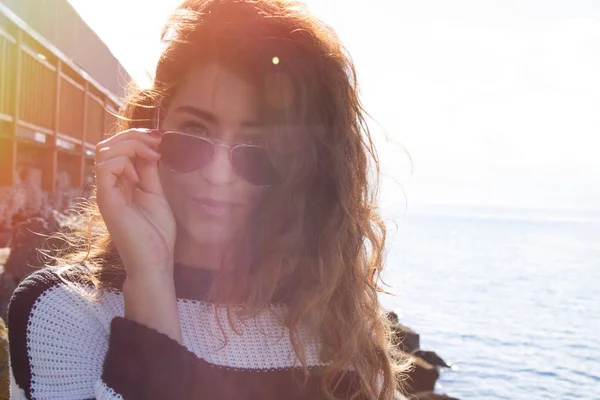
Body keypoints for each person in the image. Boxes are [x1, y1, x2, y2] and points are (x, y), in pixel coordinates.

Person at [7, 0, 411, 399]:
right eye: (194, 133)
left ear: (303, 168)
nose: (219, 176)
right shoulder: (64, 312)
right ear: (154, 126)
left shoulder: (333, 324)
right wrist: (150, 279)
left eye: (258, 146)